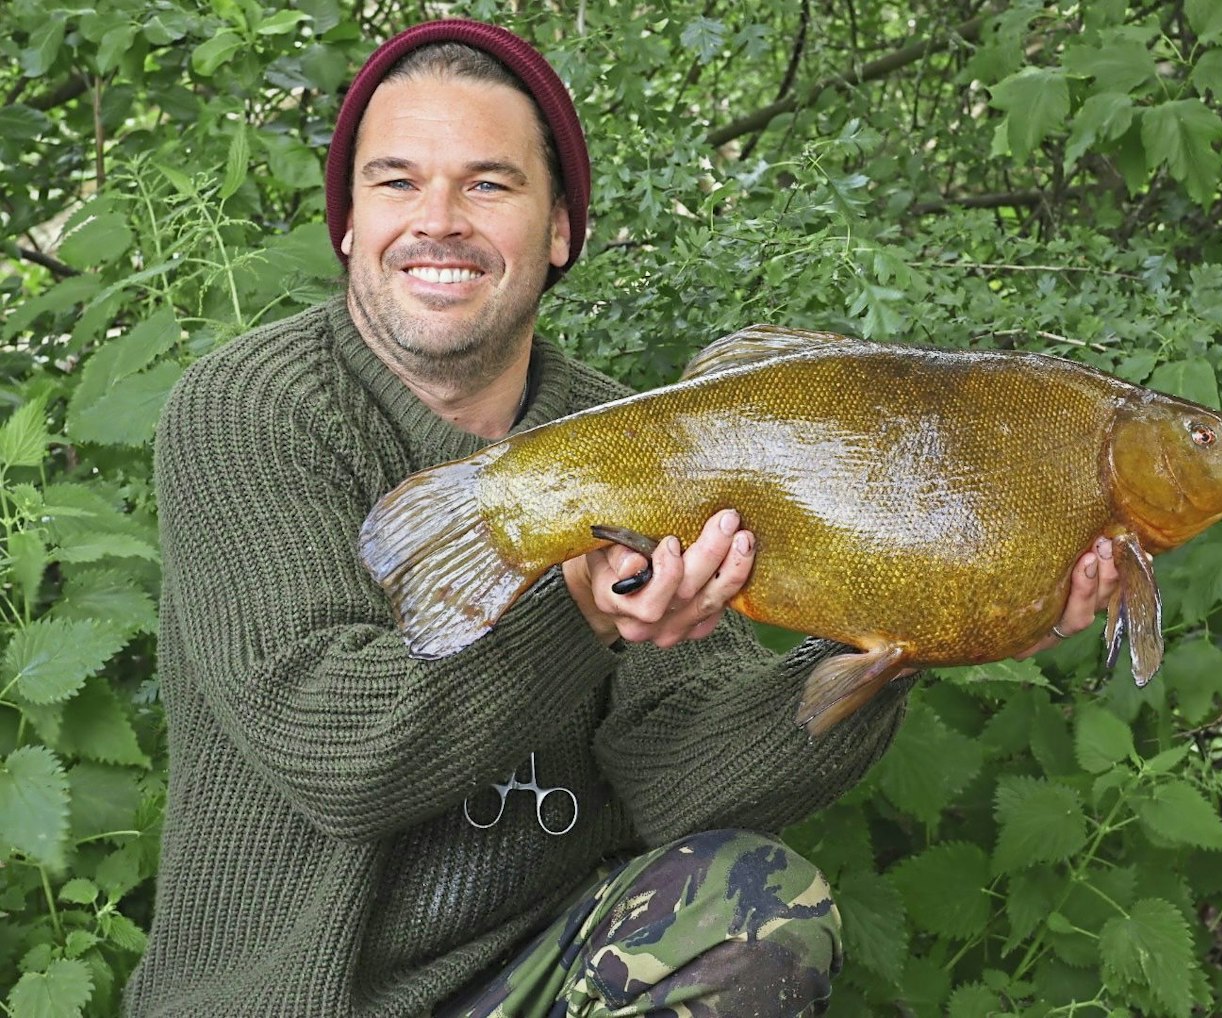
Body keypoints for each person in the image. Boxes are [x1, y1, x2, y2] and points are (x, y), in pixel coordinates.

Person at [123, 18, 1119, 1018]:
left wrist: (913, 629)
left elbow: (684, 785)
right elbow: (339, 761)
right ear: (346, 222)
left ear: (559, 229)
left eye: (488, 184)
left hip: (531, 977)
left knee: (765, 910)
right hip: (291, 999)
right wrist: (579, 617)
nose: (438, 219)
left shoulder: (642, 438)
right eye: (395, 181)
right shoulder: (247, 410)